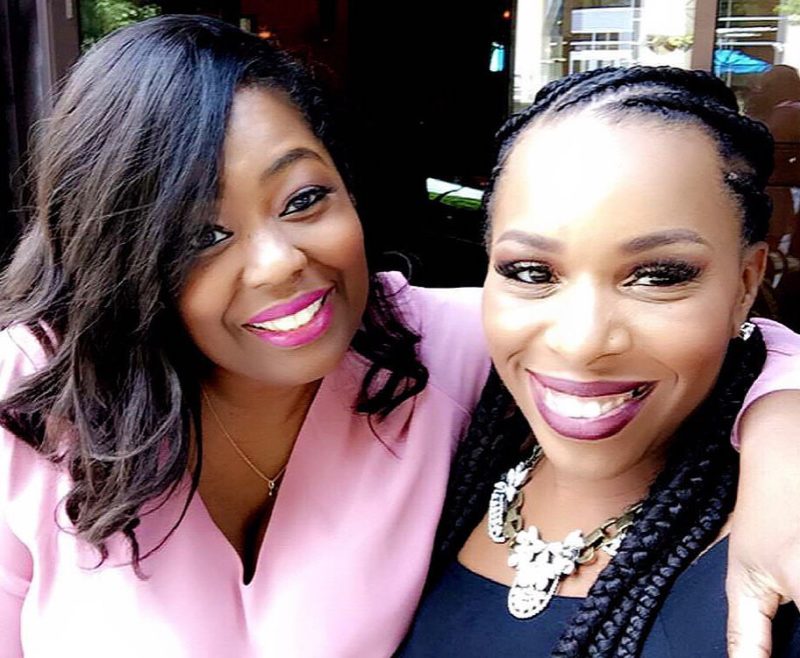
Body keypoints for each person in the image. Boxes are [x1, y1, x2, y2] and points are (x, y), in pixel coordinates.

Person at [0, 18, 798, 657]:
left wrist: (785, 451)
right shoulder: (30, 400)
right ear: (121, 255)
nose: (281, 262)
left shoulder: (427, 345)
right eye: (201, 235)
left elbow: (731, 338)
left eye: (304, 198)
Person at [400, 66, 800, 657]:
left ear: (745, 283)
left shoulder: (779, 563)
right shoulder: (437, 434)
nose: (582, 342)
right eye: (531, 272)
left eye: (658, 276)